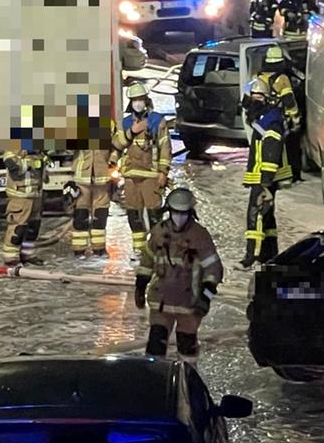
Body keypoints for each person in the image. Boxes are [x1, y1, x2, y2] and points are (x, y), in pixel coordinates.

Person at [138, 187, 224, 365]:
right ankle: (154, 379)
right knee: (156, 344)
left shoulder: (199, 236)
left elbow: (213, 269)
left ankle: (188, 380)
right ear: (169, 211)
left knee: (187, 346)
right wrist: (140, 285)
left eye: (183, 213)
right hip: (161, 302)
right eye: (176, 212)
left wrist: (205, 296)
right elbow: (147, 261)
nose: (179, 217)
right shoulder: (159, 233)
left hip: (189, 304)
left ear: (190, 213)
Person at [113, 82, 172, 307]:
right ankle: (139, 250)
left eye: (141, 99)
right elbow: (117, 144)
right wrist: (131, 132)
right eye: (135, 100)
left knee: (155, 214)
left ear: (146, 100)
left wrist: (163, 172)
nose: (138, 103)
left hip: (151, 175)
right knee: (134, 215)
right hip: (131, 177)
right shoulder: (127, 122)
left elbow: (165, 147)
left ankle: (156, 249)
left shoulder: (157, 121)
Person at [240, 77, 292, 267]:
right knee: (268, 218)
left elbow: (271, 153)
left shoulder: (271, 122)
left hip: (264, 178)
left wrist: (265, 183)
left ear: (266, 98)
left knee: (255, 215)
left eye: (258, 96)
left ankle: (252, 256)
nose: (254, 100)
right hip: (262, 175)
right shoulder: (264, 117)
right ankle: (270, 254)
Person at [256, 45, 304, 183]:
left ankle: (263, 176)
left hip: (261, 120)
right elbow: (289, 101)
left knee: (263, 149)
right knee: (287, 148)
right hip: (277, 117)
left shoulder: (259, 76)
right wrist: (295, 120)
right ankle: (286, 176)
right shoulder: (282, 79)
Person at [1, 146, 47, 266]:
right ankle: (11, 258)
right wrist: (30, 162)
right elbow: (13, 167)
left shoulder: (38, 152)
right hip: (21, 195)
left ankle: (28, 254)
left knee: (33, 227)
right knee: (18, 228)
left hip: (36, 194)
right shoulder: (14, 149)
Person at [68, 141, 115, 258]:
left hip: (102, 178)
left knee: (100, 215)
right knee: (80, 215)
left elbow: (117, 145)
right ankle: (79, 250)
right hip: (81, 178)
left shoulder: (110, 125)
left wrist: (112, 161)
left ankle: (99, 249)